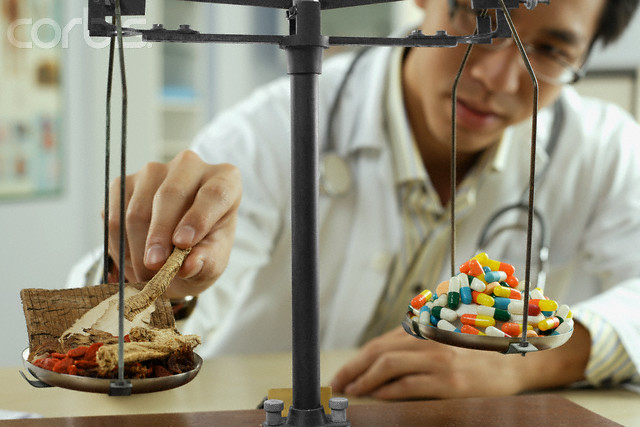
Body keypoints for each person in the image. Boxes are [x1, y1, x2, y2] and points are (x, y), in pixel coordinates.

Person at [69, 0, 640, 400]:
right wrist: (156, 269)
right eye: (476, 18)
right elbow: (98, 330)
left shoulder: (603, 148)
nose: (495, 74)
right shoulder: (278, 125)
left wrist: (526, 367)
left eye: (550, 49)